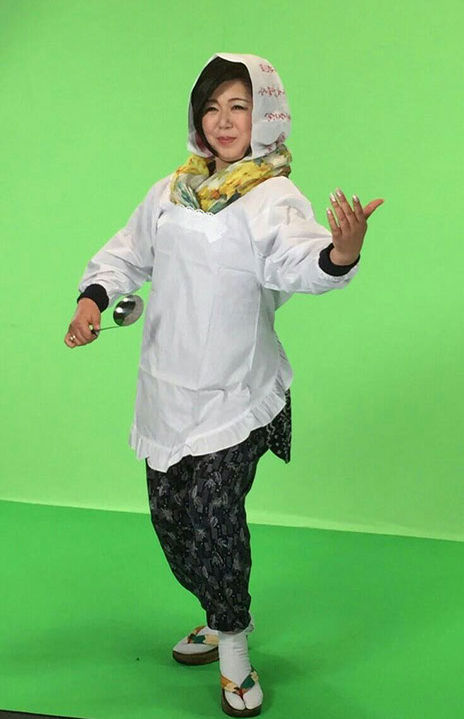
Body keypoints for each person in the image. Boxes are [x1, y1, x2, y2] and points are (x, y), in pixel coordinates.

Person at [64, 52, 384, 717]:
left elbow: (301, 260)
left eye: (239, 106)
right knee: (172, 525)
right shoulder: (171, 191)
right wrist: (94, 299)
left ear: (266, 114)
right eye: (211, 108)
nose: (224, 120)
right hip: (167, 391)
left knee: (215, 524)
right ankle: (218, 610)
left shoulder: (273, 197)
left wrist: (342, 251)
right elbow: (127, 253)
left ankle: (234, 651)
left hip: (236, 393)